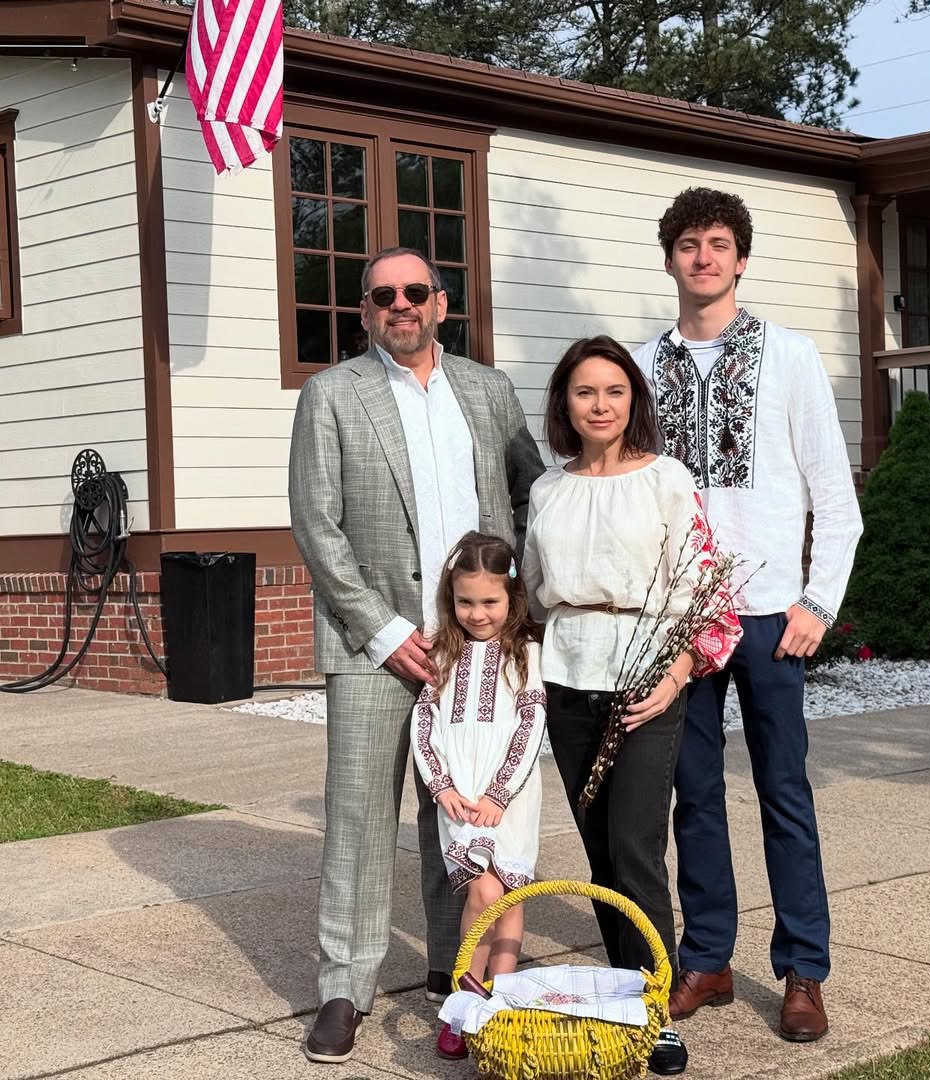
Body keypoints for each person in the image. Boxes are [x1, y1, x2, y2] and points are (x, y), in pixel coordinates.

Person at [288, 247, 545, 1064]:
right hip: (375, 643)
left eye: (414, 292)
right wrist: (387, 629)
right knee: (361, 814)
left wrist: (521, 616)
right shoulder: (331, 395)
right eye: (381, 296)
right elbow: (316, 526)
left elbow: (533, 492)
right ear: (366, 311)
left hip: (477, 641)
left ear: (442, 303)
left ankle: (452, 963)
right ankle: (344, 985)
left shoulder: (489, 390)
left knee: (463, 802)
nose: (399, 305)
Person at [632, 188, 863, 1042]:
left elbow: (836, 499)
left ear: (740, 257)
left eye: (719, 243)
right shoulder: (639, 366)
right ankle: (708, 959)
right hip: (679, 621)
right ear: (668, 259)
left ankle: (803, 969)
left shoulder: (791, 357)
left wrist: (817, 601)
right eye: (688, 243)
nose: (704, 257)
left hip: (769, 615)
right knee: (690, 794)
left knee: (783, 792)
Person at [522, 335, 741, 1077]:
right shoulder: (549, 490)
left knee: (636, 849)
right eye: (585, 392)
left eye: (614, 391)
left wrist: (677, 675)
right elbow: (530, 592)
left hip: (647, 681)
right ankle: (619, 997)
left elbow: (712, 593)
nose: (601, 405)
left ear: (633, 401)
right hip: (568, 679)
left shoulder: (668, 482)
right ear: (565, 405)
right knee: (595, 850)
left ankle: (655, 1008)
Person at [410, 531, 547, 1061]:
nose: (477, 612)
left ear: (512, 599)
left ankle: (501, 1002)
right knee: (482, 893)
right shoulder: (442, 653)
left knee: (507, 893)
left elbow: (531, 725)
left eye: (489, 601)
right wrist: (440, 784)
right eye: (465, 601)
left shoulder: (525, 655)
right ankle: (467, 1003)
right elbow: (425, 722)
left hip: (507, 796)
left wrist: (500, 792)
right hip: (460, 799)